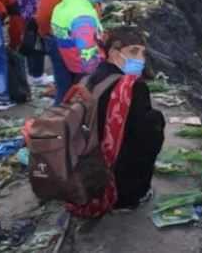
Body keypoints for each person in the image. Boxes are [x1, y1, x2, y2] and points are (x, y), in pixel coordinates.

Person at [67, 26, 165, 217]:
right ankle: (129, 199)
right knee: (149, 130)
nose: (140, 59)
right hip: (117, 172)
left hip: (87, 157)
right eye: (133, 52)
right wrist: (158, 120)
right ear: (113, 52)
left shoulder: (90, 77)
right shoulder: (131, 87)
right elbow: (145, 136)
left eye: (142, 53)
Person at [51, 0, 106, 98]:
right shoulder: (83, 16)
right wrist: (97, 77)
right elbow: (87, 55)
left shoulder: (61, 6)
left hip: (68, 62)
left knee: (64, 96)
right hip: (83, 72)